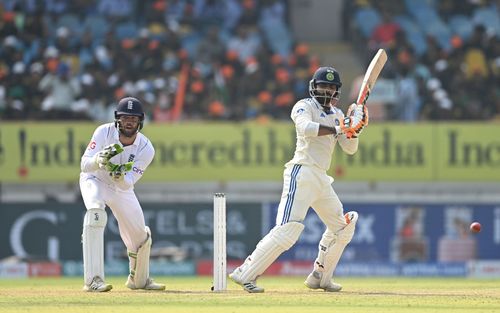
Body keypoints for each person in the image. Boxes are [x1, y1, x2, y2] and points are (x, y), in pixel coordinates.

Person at [229, 67, 369, 293]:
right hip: (301, 172)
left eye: (332, 87)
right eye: (323, 85)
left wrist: (355, 130)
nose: (327, 90)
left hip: (321, 179)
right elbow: (306, 128)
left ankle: (320, 277)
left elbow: (349, 148)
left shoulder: (338, 114)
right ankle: (245, 273)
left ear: (337, 91)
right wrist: (340, 127)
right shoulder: (304, 106)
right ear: (314, 87)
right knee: (287, 230)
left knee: (342, 228)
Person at [80, 96, 165, 292]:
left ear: (140, 122)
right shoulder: (103, 132)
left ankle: (139, 280)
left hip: (120, 188)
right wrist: (98, 160)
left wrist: (118, 176)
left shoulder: (146, 148)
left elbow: (128, 184)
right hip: (95, 180)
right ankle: (93, 280)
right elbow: (84, 166)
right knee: (95, 212)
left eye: (133, 119)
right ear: (117, 119)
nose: (129, 122)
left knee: (140, 235)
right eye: (125, 118)